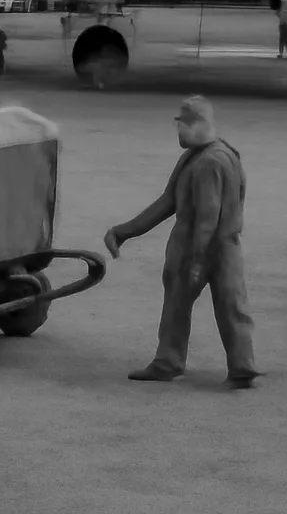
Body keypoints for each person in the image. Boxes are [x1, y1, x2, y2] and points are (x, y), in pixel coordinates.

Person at [103, 96, 259, 389]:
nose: (179, 132)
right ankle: (242, 365)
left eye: (183, 126)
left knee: (178, 303)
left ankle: (169, 362)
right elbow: (168, 201)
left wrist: (197, 258)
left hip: (196, 245)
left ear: (198, 126)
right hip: (227, 246)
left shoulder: (207, 162)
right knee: (232, 304)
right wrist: (124, 231)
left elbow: (206, 217)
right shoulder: (209, 154)